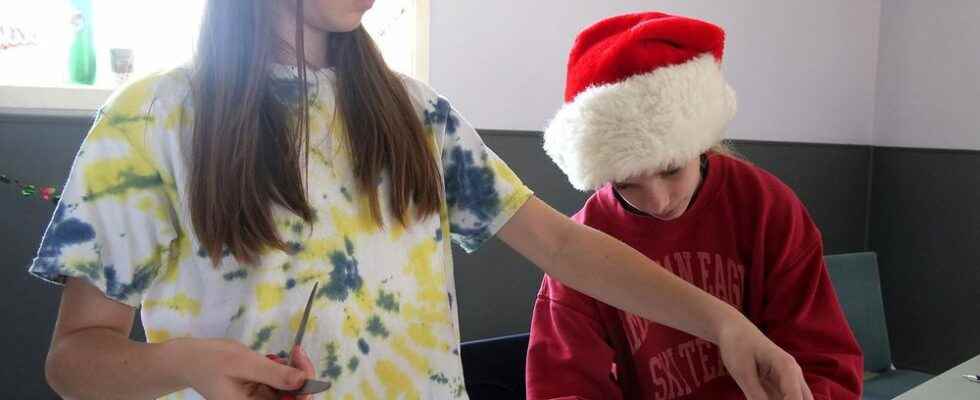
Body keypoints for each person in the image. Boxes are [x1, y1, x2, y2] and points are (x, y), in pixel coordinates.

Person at [31, 2, 813, 399]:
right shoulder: (150, 119)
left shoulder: (414, 112)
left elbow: (562, 246)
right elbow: (75, 362)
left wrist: (722, 322)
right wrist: (193, 365)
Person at [526, 12, 863, 400]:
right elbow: (562, 387)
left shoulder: (765, 208)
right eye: (626, 182)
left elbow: (826, 360)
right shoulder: (580, 248)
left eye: (671, 170)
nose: (658, 201)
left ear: (699, 145)